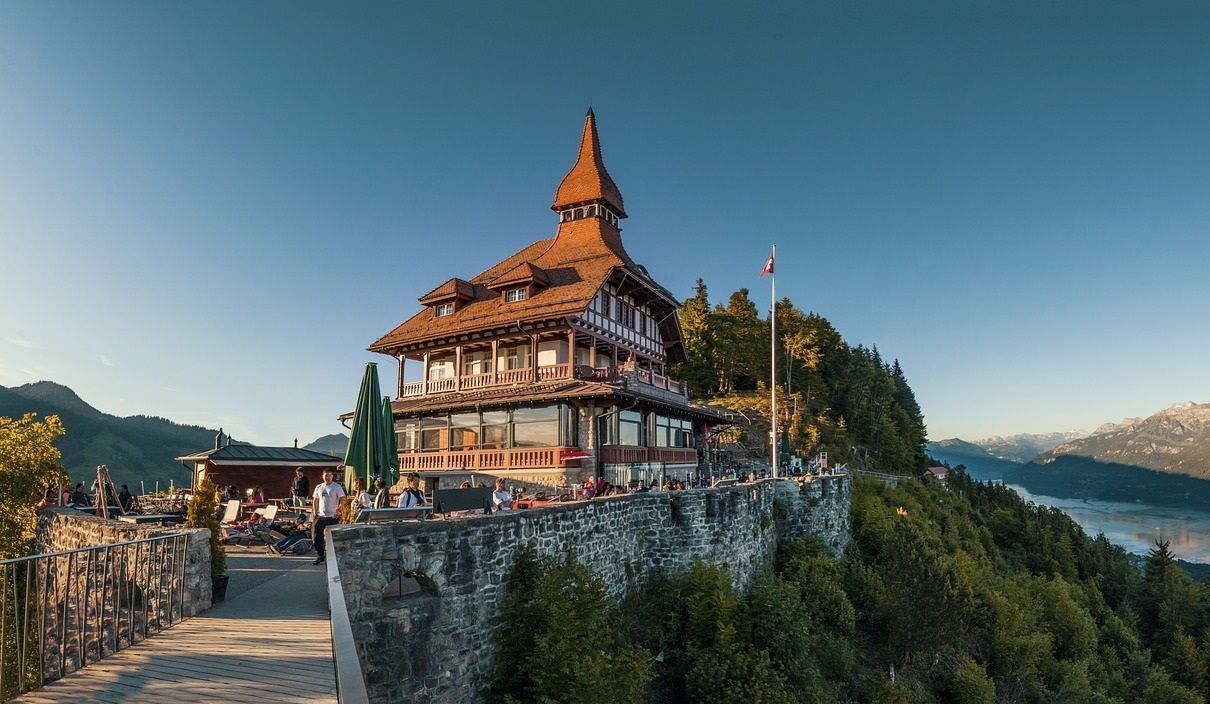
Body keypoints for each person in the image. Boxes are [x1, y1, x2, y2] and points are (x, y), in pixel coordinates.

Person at [310, 470, 345, 565]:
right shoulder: (319, 487)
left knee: (333, 537)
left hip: (333, 516)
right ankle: (321, 555)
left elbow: (343, 501)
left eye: (329, 475)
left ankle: (334, 557)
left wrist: (339, 511)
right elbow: (315, 501)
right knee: (315, 535)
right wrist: (314, 513)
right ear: (322, 476)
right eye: (326, 475)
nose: (327, 477)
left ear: (332, 476)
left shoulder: (337, 487)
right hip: (320, 515)